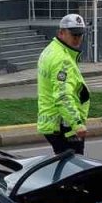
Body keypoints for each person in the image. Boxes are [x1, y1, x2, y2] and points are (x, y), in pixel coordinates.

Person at [37, 13, 92, 155]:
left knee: (65, 167)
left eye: (80, 35)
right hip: (64, 125)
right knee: (76, 171)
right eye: (74, 35)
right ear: (61, 33)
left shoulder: (51, 50)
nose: (78, 39)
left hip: (52, 120)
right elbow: (63, 95)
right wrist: (77, 124)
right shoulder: (62, 59)